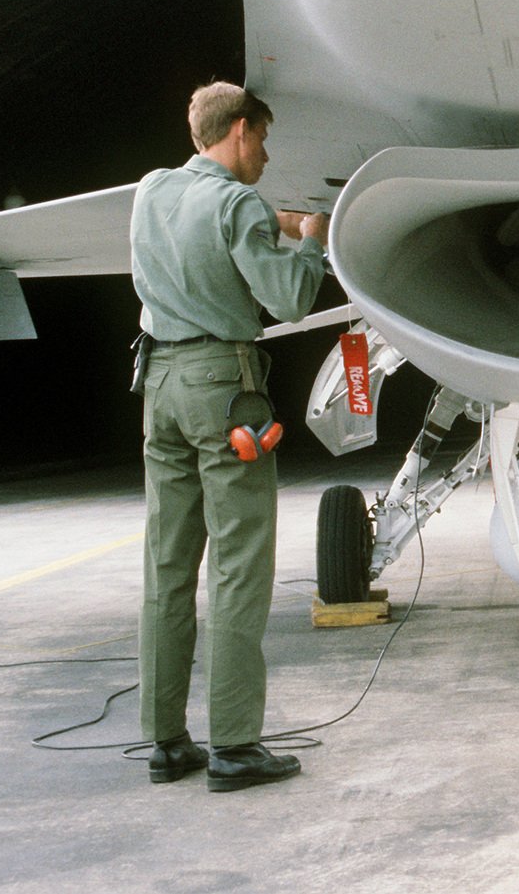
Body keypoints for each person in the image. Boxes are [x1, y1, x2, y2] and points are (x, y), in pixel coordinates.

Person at [129, 81, 328, 791]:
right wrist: (309, 241)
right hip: (224, 390)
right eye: (264, 140)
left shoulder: (152, 189)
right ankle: (236, 745)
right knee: (240, 563)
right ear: (240, 129)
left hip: (158, 386)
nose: (268, 156)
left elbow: (200, 234)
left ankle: (166, 740)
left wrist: (259, 221)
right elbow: (290, 297)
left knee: (168, 563)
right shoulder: (238, 204)